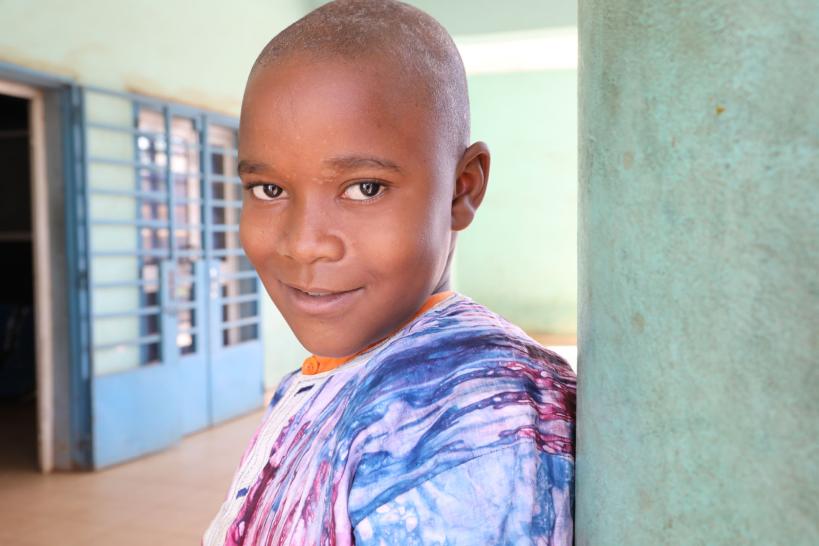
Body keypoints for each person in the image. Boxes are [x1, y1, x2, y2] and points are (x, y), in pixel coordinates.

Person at [203, 1, 576, 544]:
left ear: (462, 189)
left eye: (365, 188)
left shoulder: (468, 422)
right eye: (270, 189)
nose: (304, 244)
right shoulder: (326, 375)